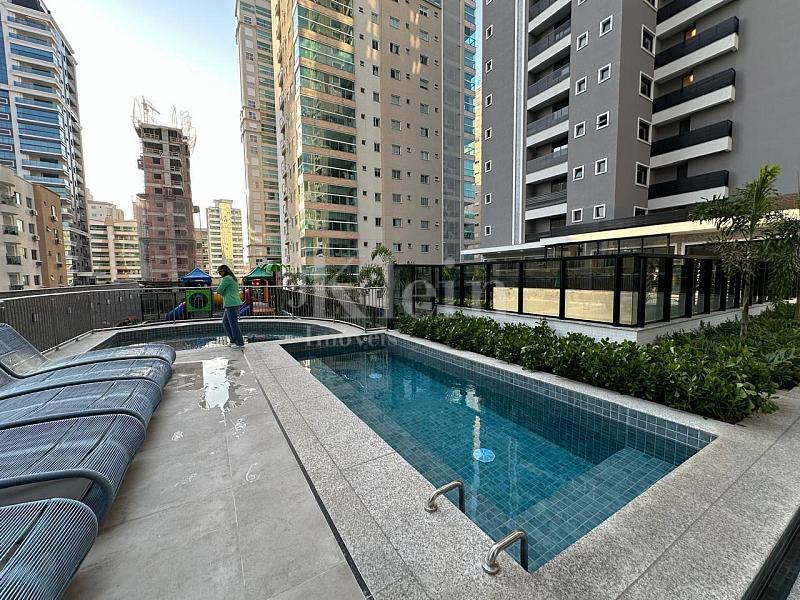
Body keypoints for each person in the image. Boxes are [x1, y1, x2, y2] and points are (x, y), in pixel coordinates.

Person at [217, 264, 245, 348]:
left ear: (224, 271)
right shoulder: (232, 278)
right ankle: (233, 340)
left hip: (231, 303)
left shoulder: (226, 279)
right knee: (225, 322)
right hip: (232, 302)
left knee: (233, 324)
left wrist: (224, 293)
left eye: (220, 272)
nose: (219, 274)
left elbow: (219, 290)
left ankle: (239, 342)